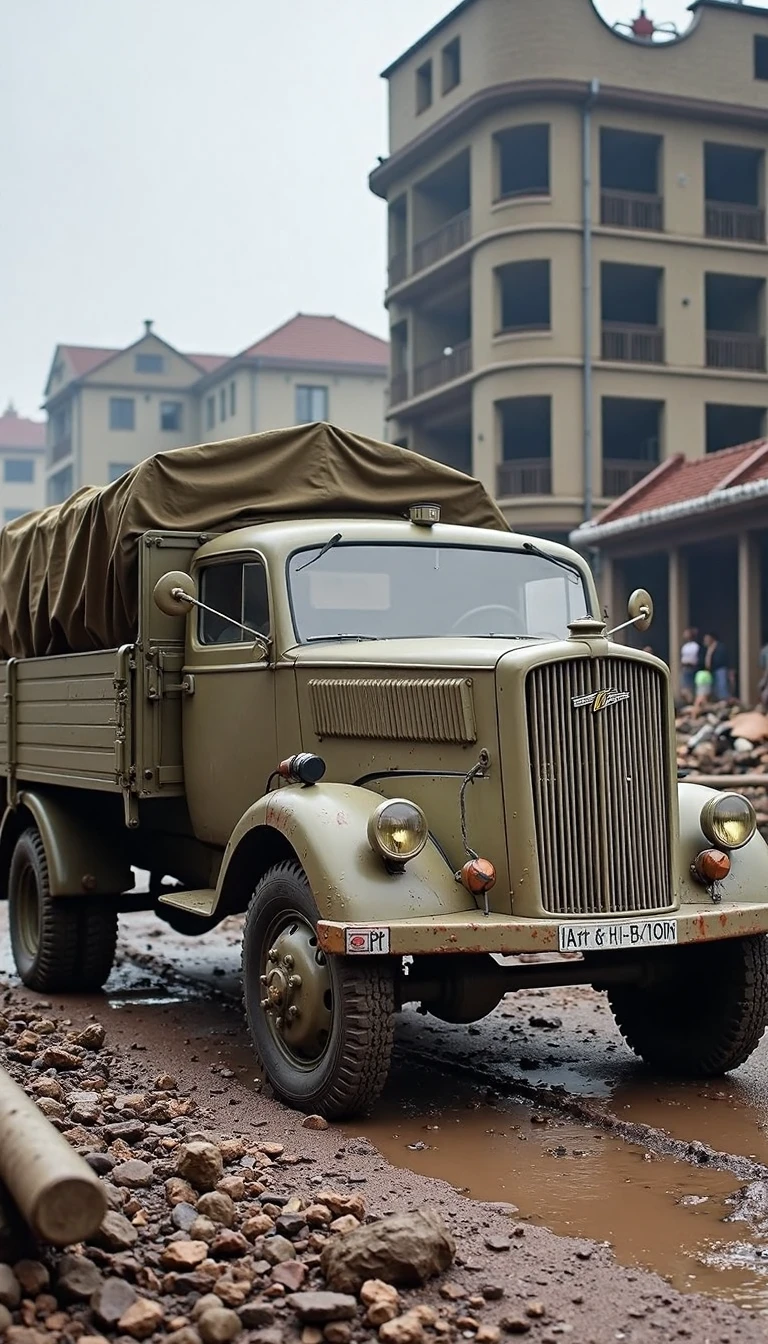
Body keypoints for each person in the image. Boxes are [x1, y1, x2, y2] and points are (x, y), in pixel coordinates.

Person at [703, 632, 729, 702]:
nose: (705, 640)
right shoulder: (707, 649)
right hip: (711, 671)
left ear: (712, 638)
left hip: (720, 669)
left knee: (722, 686)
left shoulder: (720, 647)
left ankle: (724, 700)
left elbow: (720, 659)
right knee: (714, 688)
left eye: (707, 639)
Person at [680, 627, 700, 702]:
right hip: (685, 668)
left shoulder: (695, 646)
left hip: (692, 668)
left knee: (690, 687)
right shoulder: (685, 646)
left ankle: (692, 701)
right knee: (684, 688)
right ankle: (688, 701)